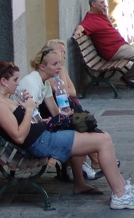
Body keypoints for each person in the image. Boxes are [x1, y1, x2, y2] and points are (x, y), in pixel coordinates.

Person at [0, 61, 134, 210]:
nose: (18, 83)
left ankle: (121, 187)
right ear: (3, 81)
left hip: (43, 136)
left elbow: (27, 123)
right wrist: (28, 109)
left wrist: (38, 115)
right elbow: (19, 137)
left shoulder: (5, 99)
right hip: (41, 142)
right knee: (103, 140)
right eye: (15, 80)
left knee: (95, 134)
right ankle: (119, 195)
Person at [46, 38, 102, 181]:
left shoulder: (61, 69)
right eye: (59, 52)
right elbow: (60, 90)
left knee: (83, 121)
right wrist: (62, 82)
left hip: (67, 108)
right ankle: (92, 160)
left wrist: (61, 72)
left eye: (64, 53)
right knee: (79, 124)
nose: (62, 56)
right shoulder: (47, 74)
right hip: (53, 112)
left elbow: (72, 92)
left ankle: (90, 162)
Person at [74, 0, 134, 89]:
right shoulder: (90, 19)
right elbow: (82, 26)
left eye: (104, 2)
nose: (105, 5)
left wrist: (106, 16)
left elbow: (109, 28)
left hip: (121, 45)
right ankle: (128, 78)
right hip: (113, 50)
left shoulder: (101, 15)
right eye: (102, 3)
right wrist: (78, 30)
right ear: (93, 4)